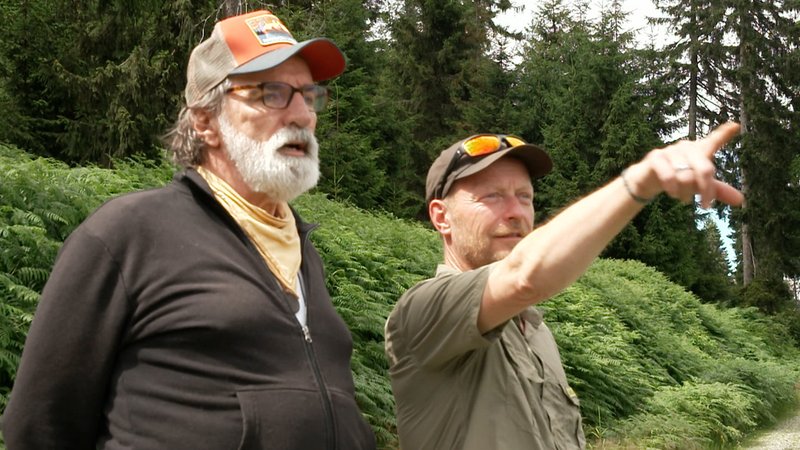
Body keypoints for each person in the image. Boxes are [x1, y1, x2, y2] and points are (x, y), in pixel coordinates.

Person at [2, 10, 376, 449]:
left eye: (309, 95)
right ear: (204, 122)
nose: (302, 114)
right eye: (272, 93)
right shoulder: (127, 235)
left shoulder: (303, 251)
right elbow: (39, 427)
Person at [384, 125, 743, 449]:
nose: (516, 212)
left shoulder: (534, 331)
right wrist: (640, 182)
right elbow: (524, 275)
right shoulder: (420, 314)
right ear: (440, 217)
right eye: (491, 196)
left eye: (524, 197)